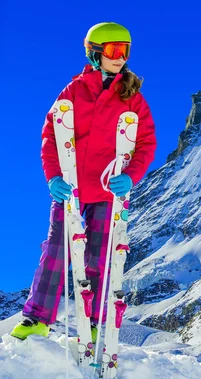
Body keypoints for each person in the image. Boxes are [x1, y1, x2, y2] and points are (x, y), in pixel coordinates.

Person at [11, 22, 157, 340]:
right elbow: (52, 134)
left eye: (125, 51)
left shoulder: (132, 98)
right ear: (94, 53)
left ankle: (90, 322)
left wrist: (130, 176)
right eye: (114, 50)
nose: (121, 57)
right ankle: (37, 318)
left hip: (107, 192)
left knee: (98, 257)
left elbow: (146, 143)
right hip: (72, 189)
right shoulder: (74, 91)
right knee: (55, 251)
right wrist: (54, 177)